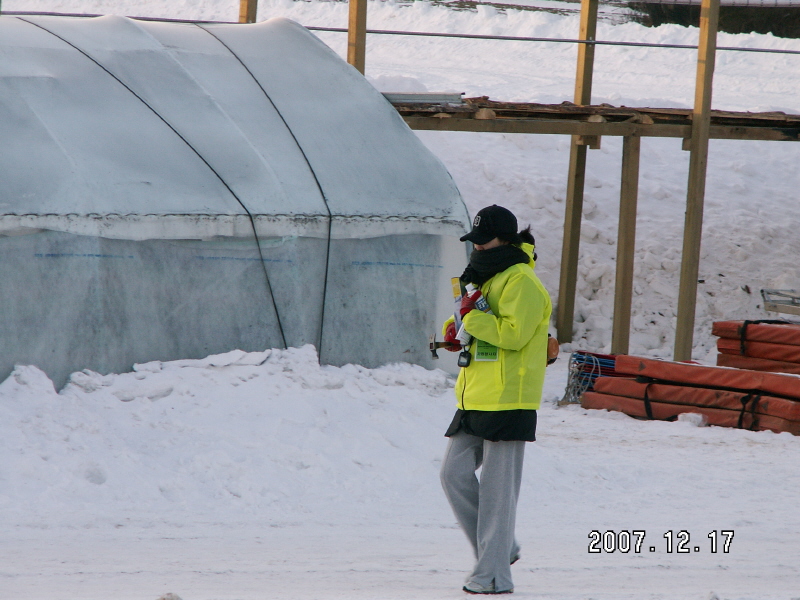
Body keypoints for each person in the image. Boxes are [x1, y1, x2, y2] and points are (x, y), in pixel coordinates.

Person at [439, 204, 552, 595]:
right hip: (476, 394)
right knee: (452, 474)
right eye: (474, 242)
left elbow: (515, 334)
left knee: (498, 492)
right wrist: (455, 329)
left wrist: (471, 321)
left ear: (505, 238)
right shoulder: (484, 277)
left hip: (509, 398)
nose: (478, 249)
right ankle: (502, 549)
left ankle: (492, 576)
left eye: (484, 242)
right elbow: (470, 318)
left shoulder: (521, 281)